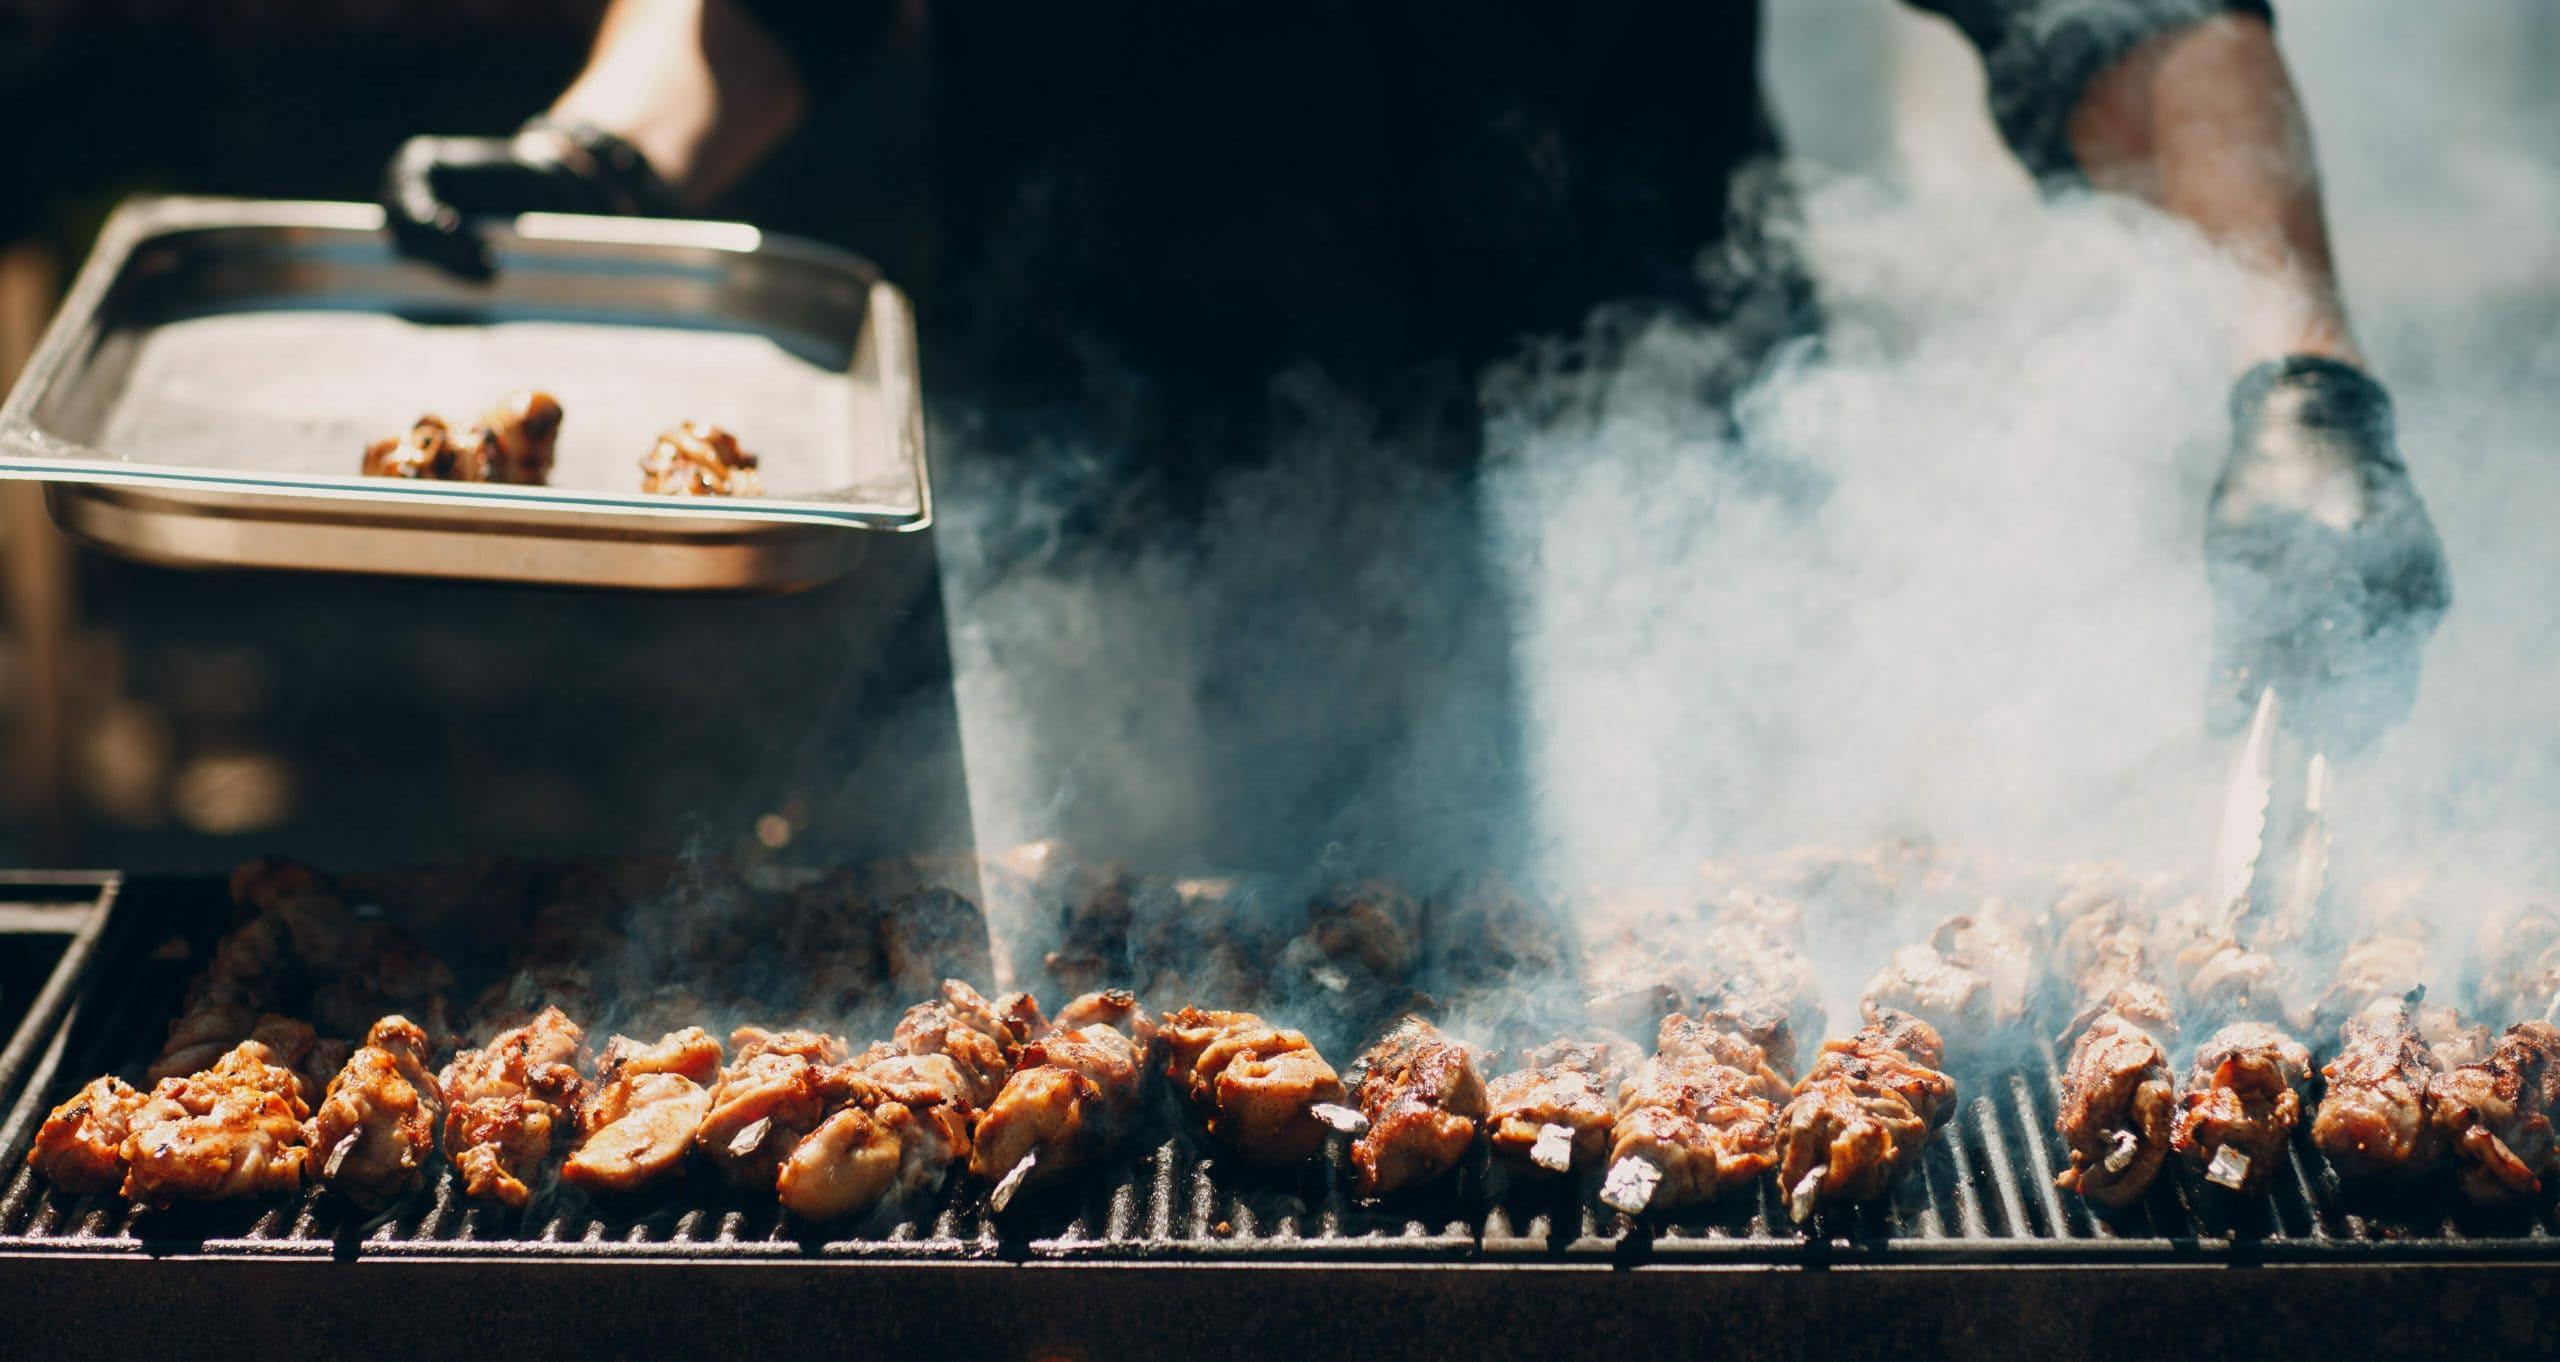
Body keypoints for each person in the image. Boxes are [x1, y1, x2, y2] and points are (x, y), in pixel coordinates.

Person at [382, 1, 2446, 876]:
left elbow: (2112, 13)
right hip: (1104, 582)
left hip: (1639, 576)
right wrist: (605, 147)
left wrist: (2299, 368)